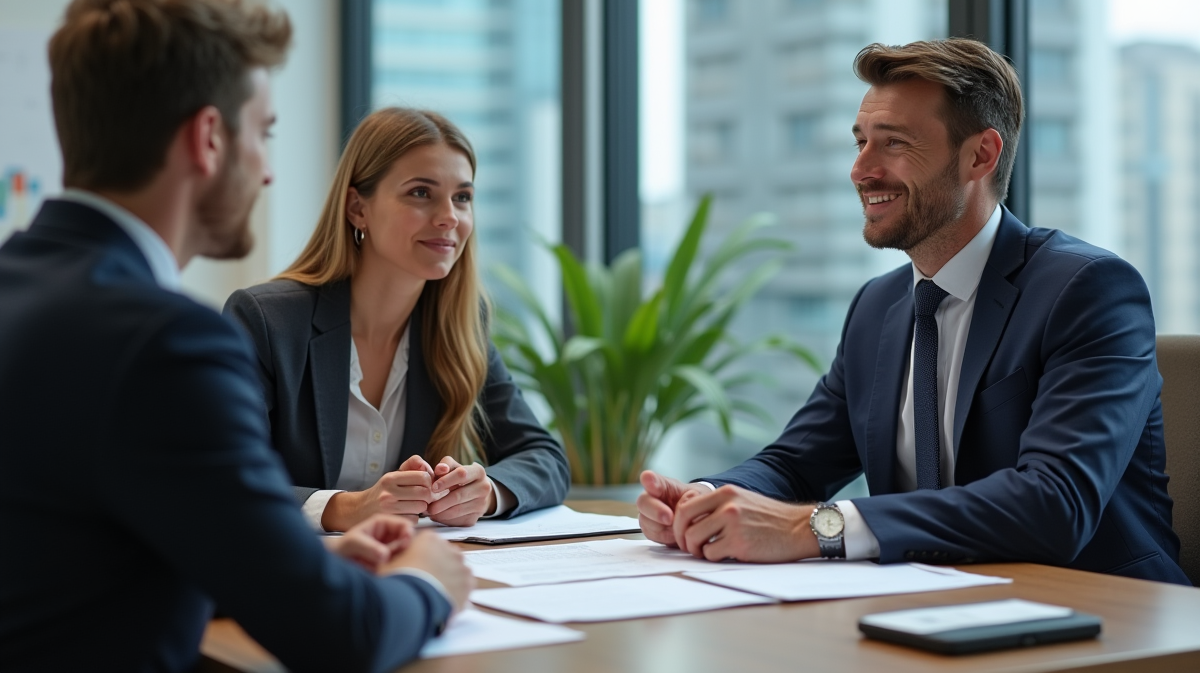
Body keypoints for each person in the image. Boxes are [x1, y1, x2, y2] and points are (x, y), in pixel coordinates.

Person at [0, 0, 473, 673]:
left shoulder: (20, 287)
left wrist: (276, 556)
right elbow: (340, 634)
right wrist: (430, 579)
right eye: (266, 133)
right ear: (209, 139)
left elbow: (71, 559)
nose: (270, 172)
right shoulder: (168, 342)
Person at [637, 38, 1190, 585]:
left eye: (894, 144)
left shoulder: (1087, 290)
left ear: (981, 155)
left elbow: (1054, 502)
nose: (861, 170)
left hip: (1102, 617)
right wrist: (703, 503)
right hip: (929, 608)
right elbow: (796, 464)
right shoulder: (878, 307)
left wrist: (819, 527)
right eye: (860, 142)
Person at [222, 107, 570, 533]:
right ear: (357, 208)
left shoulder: (459, 324)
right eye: (421, 193)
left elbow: (544, 456)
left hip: (417, 571)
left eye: (462, 197)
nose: (449, 217)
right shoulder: (267, 321)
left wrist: (488, 491)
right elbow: (224, 477)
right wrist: (347, 508)